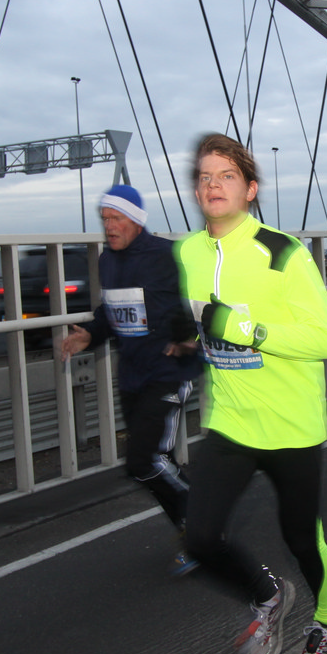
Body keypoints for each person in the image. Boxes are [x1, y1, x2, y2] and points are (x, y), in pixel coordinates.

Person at [174, 133, 327, 654]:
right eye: (204, 177)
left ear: (250, 190)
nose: (213, 185)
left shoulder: (283, 252)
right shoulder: (187, 252)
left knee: (302, 538)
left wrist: (245, 330)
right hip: (230, 421)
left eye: (226, 176)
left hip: (291, 424)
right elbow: (197, 320)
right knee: (200, 538)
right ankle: (268, 594)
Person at [59, 185, 201, 573]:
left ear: (136, 220)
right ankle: (195, 531)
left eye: (116, 218)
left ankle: (203, 527)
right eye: (105, 218)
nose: (109, 226)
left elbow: (201, 297)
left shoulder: (167, 255)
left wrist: (190, 335)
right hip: (133, 376)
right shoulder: (108, 261)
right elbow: (111, 311)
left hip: (168, 372)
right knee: (154, 462)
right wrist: (90, 334)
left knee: (144, 459)